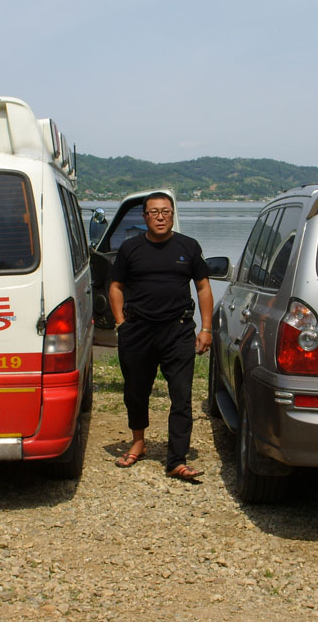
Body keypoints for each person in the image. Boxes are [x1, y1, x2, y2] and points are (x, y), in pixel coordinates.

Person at [108, 191, 214, 481]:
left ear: (172, 215)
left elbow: (203, 287)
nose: (160, 217)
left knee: (181, 395)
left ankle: (176, 460)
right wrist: (121, 324)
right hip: (138, 331)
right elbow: (115, 287)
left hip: (177, 331)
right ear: (144, 217)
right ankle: (138, 442)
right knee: (135, 391)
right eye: (154, 212)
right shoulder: (130, 249)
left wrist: (206, 329)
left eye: (165, 212)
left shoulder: (188, 246)